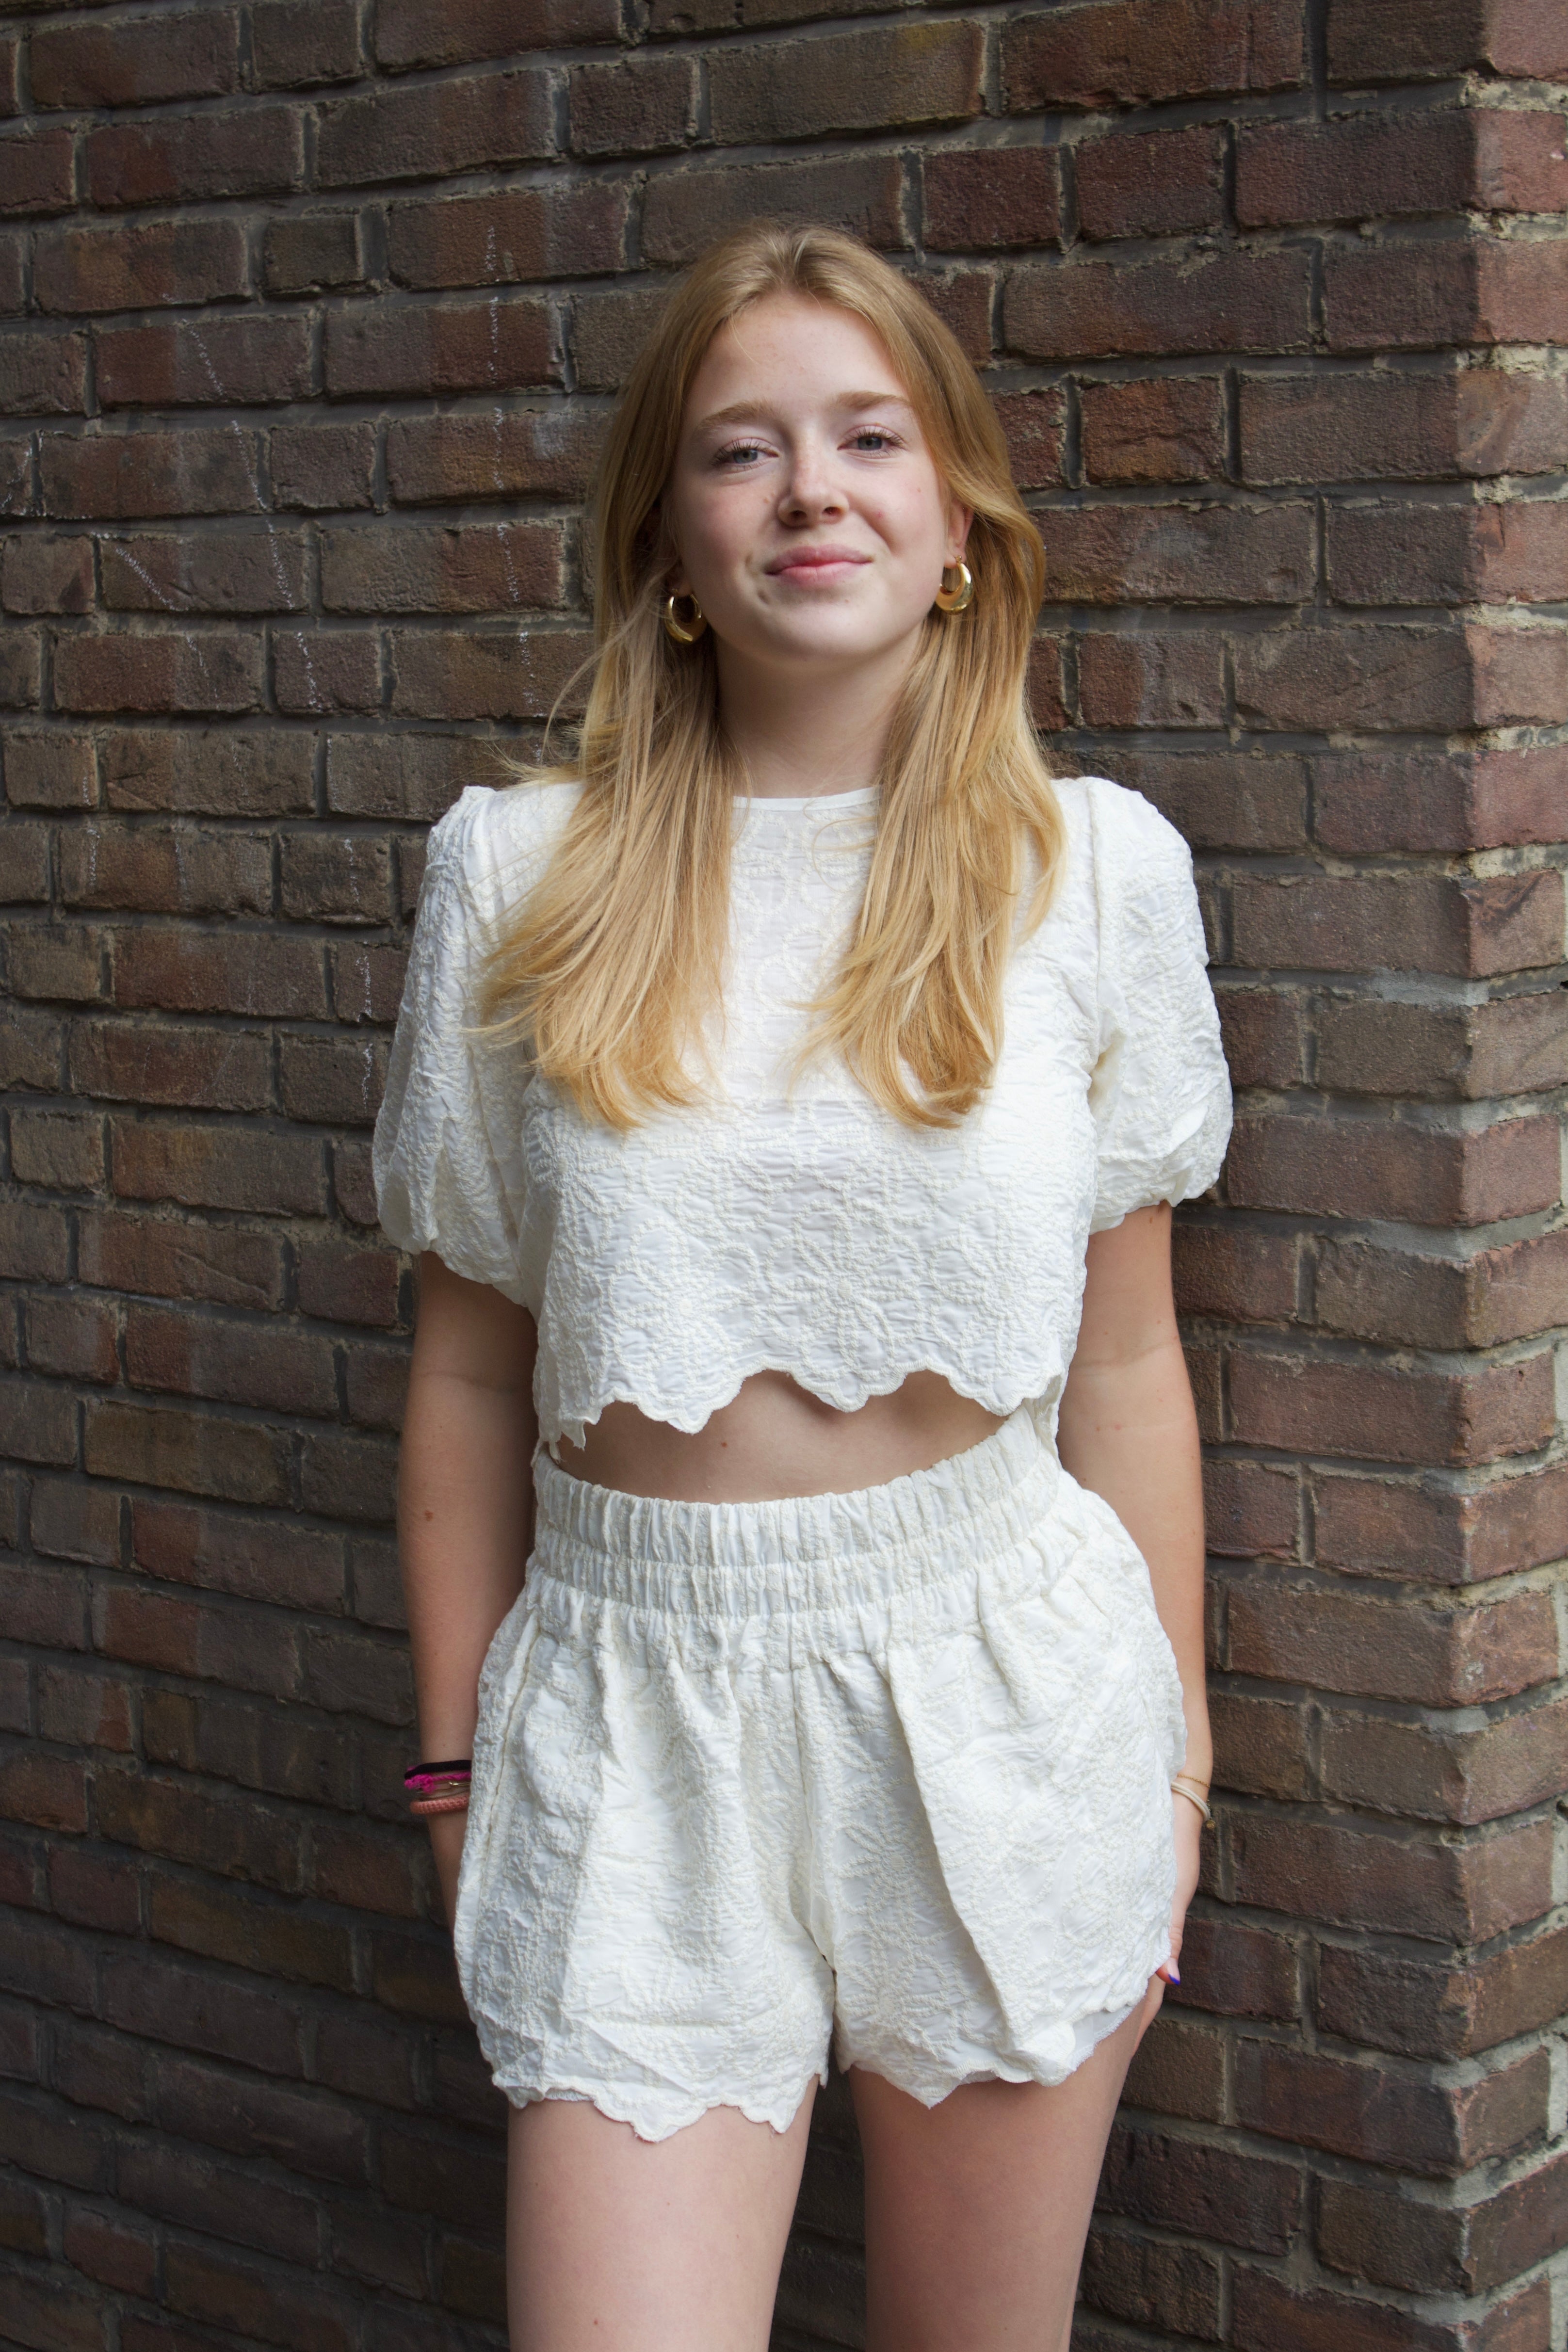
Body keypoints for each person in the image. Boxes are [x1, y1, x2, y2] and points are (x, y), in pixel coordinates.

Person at [372, 223, 1232, 2352]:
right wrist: (456, 1778)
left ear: (954, 524)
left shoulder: (1087, 871)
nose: (808, 492)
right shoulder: (517, 876)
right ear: (672, 536)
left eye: (868, 438)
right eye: (741, 449)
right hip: (628, 1717)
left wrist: (1179, 1766)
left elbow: (1128, 1366)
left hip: (1003, 1698)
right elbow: (467, 1370)